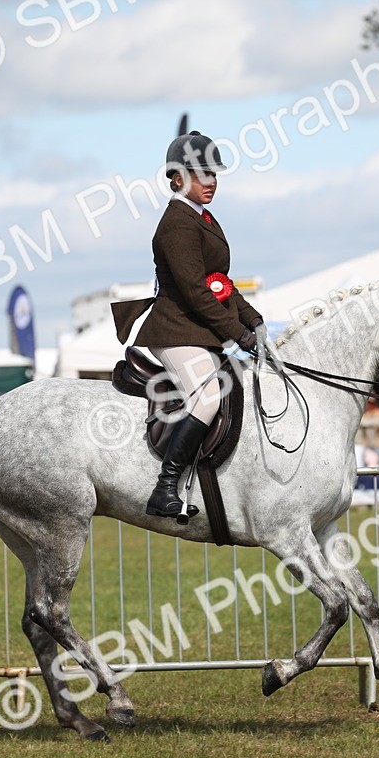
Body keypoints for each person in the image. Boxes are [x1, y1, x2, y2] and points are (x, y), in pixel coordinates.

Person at [112, 130, 267, 519]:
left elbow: (220, 284)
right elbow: (199, 294)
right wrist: (239, 335)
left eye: (214, 174)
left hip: (198, 331)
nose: (211, 182)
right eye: (201, 174)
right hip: (176, 330)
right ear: (177, 177)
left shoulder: (202, 216)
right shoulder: (177, 223)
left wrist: (256, 322)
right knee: (208, 398)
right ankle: (165, 487)